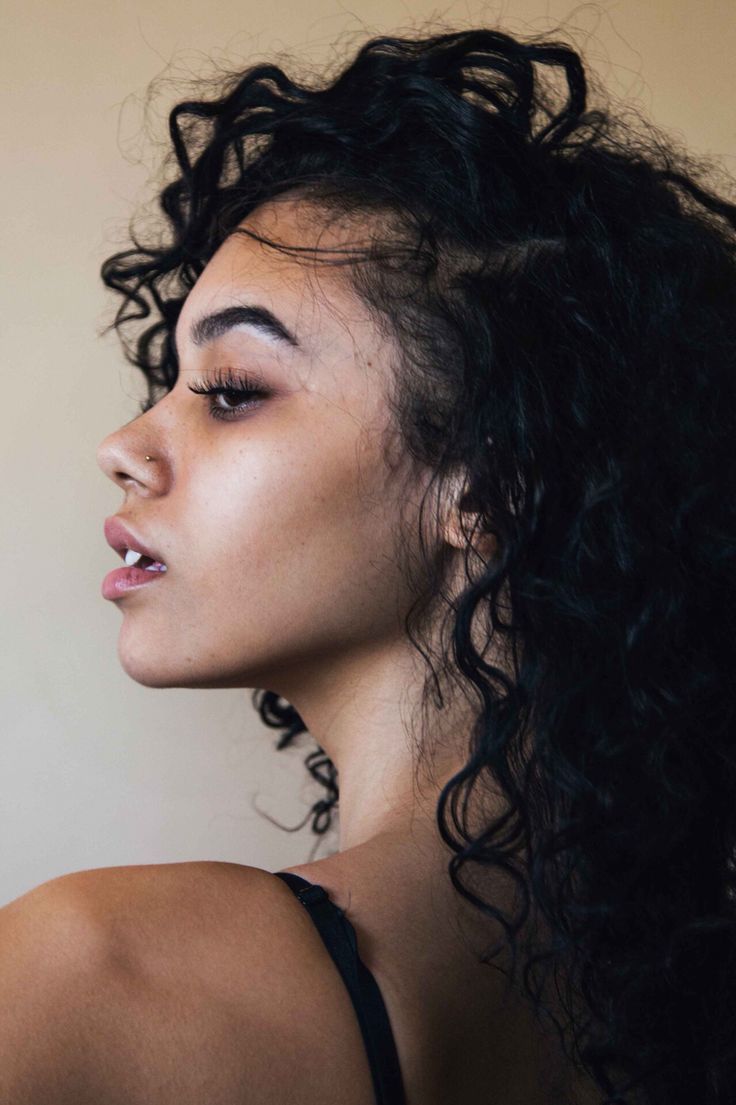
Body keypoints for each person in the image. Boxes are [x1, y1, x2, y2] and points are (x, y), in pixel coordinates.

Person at [2, 23, 735, 1105]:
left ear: (489, 483)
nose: (123, 447)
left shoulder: (93, 978)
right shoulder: (688, 1008)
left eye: (231, 388)